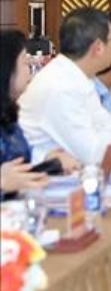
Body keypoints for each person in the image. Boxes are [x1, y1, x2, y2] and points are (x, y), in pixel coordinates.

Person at [19, 7, 111, 165]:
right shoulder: (60, 86)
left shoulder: (79, 77)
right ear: (98, 48)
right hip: (47, 177)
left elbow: (106, 130)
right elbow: (94, 156)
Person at [1, 30, 53, 194]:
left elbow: (18, 168)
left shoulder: (9, 115)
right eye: (25, 63)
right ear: (7, 69)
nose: (30, 70)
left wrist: (49, 162)